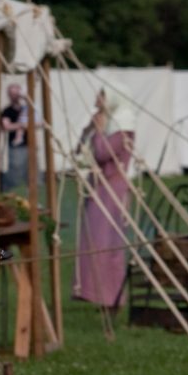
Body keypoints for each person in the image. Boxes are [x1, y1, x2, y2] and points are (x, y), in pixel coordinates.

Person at [73, 84, 136, 341]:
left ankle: (113, 298)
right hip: (101, 189)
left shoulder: (123, 126)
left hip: (112, 191)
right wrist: (89, 130)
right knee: (94, 245)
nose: (97, 99)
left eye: (101, 94)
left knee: (108, 247)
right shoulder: (107, 123)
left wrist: (97, 132)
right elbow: (81, 151)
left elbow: (102, 154)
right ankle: (100, 296)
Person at [0, 83, 29, 190]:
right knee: (15, 171)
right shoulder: (7, 111)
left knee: (29, 172)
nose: (15, 96)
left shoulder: (26, 109)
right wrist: (21, 125)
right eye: (12, 94)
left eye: (16, 93)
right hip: (16, 147)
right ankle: (10, 190)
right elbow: (6, 126)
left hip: (28, 145)